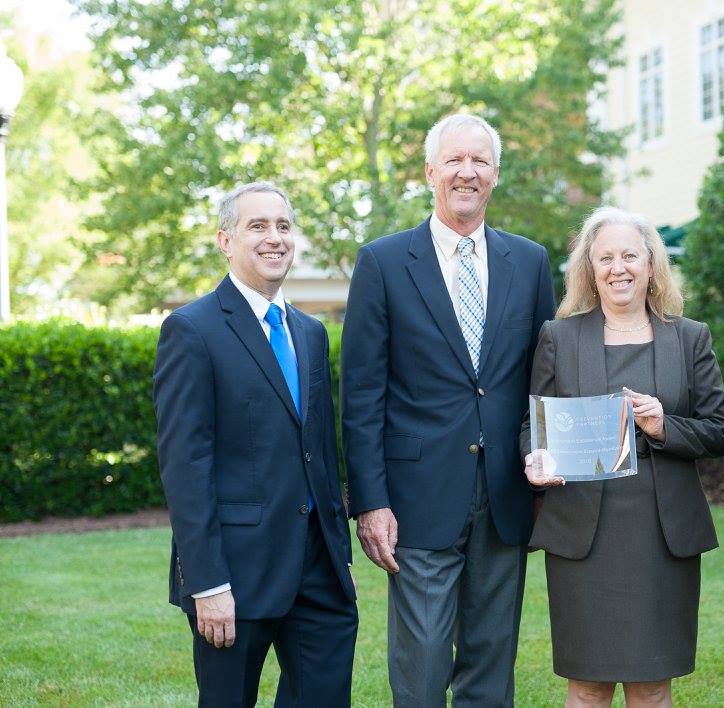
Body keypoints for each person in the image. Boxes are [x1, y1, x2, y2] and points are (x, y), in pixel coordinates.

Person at [341, 113, 555, 707]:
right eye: (455, 160)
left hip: (506, 493)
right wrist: (371, 501)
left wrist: (541, 471)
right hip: (415, 497)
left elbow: (544, 379)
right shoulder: (382, 263)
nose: (467, 172)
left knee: (492, 661)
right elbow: (361, 395)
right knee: (423, 662)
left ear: (495, 175)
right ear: (431, 171)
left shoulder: (530, 261)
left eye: (480, 161)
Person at [153, 182, 358, 706]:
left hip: (320, 570)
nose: (275, 238)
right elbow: (185, 465)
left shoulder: (310, 331)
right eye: (258, 226)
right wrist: (207, 584)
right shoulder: (192, 330)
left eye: (284, 226)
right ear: (225, 240)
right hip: (235, 575)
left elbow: (318, 448)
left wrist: (339, 549)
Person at [520, 207, 724, 708]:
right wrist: (535, 457)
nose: (619, 267)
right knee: (587, 685)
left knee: (652, 686)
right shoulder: (560, 337)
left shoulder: (689, 337)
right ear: (589, 270)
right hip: (583, 537)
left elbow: (720, 431)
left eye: (630, 255)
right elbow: (534, 425)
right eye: (606, 257)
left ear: (651, 264)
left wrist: (665, 426)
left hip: (661, 538)